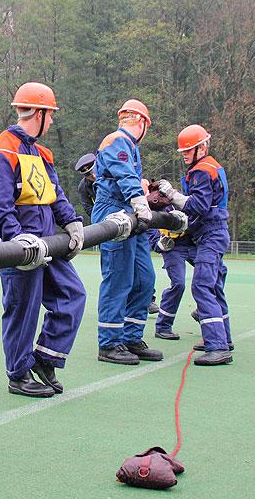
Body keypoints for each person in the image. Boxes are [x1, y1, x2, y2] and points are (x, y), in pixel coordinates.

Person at [0, 82, 87, 398]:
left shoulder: (41, 152)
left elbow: (55, 194)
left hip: (48, 244)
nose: (52, 122)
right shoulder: (1, 150)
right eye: (50, 115)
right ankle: (18, 374)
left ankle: (45, 359)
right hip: (20, 250)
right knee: (22, 310)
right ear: (37, 113)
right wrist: (19, 242)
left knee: (73, 295)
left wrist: (71, 221)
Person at [92, 99, 162, 365]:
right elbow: (124, 175)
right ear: (142, 122)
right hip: (115, 212)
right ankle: (109, 342)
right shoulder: (116, 140)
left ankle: (131, 336)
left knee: (145, 278)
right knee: (118, 278)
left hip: (132, 215)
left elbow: (131, 178)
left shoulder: (130, 146)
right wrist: (139, 201)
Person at [157, 124, 232, 366]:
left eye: (189, 150)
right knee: (215, 287)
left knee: (202, 286)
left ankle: (218, 346)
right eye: (184, 151)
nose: (185, 155)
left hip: (211, 234)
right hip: (212, 233)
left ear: (202, 147)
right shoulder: (211, 168)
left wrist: (172, 194)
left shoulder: (202, 171)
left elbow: (198, 206)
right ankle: (223, 338)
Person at [153, 228, 197, 341]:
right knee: (179, 284)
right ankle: (163, 326)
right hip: (172, 247)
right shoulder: (158, 209)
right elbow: (150, 223)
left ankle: (204, 312)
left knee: (216, 273)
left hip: (194, 245)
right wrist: (157, 243)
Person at [74, 153, 97, 221]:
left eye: (93, 171)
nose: (93, 176)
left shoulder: (109, 173)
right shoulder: (83, 186)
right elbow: (88, 208)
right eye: (88, 174)